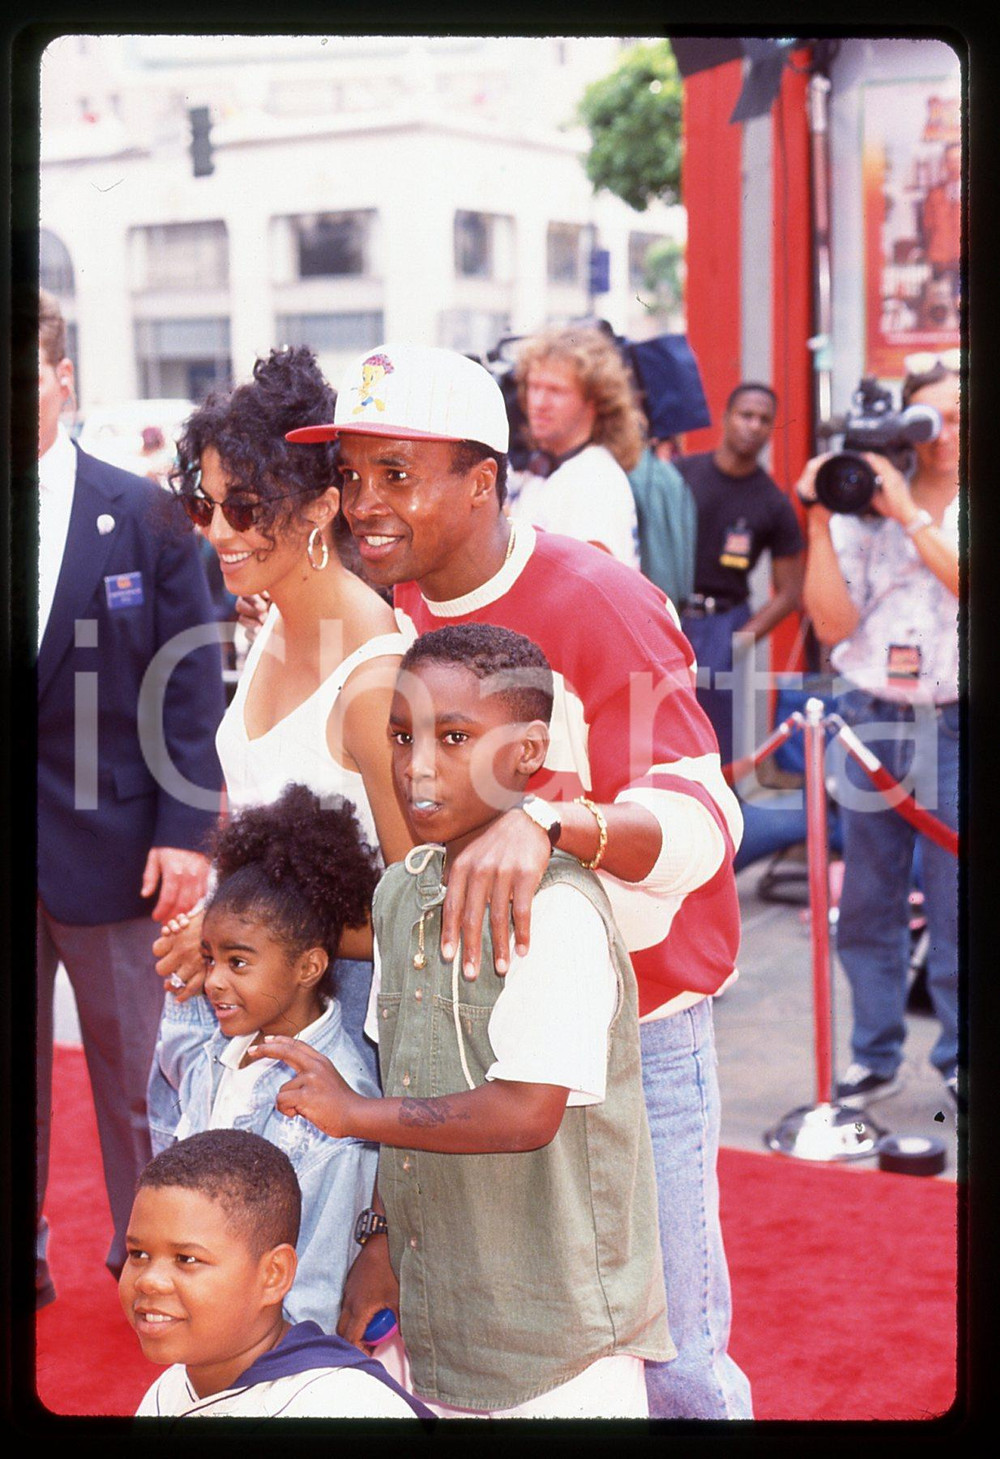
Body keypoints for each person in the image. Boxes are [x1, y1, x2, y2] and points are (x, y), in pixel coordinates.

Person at [282, 341, 752, 1419]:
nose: (365, 501)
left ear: (482, 478)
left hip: (637, 1029)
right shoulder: (401, 606)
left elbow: (703, 817)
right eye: (352, 474)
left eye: (395, 473)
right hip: (478, 1027)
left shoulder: (596, 596)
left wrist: (554, 819)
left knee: (671, 1360)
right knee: (494, 1347)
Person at [254, 625, 672, 1417]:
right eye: (402, 736)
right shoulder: (399, 892)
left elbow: (526, 1111)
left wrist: (352, 1113)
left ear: (527, 751)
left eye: (454, 738)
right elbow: (408, 1077)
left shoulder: (558, 910)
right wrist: (379, 1238)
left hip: (560, 1342)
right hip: (443, 1318)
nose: (417, 765)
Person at [151, 346, 414, 1078]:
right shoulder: (271, 617)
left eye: (244, 508)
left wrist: (232, 928)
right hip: (247, 1006)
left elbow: (415, 915)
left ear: (321, 509)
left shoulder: (377, 679)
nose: (216, 530)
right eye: (204, 504)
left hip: (339, 1032)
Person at [36, 289, 225, 1305]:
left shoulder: (144, 512)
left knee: (137, 1081)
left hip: (115, 842)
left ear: (62, 379)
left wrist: (189, 829)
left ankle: (147, 1256)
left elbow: (191, 677)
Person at [147, 782, 382, 1331]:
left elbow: (317, 1290)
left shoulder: (337, 1108)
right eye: (210, 958)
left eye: (239, 962)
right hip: (211, 1332)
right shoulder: (214, 1056)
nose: (215, 981)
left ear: (309, 967)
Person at [797, 357, 960, 1109]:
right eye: (931, 420)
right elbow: (833, 625)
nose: (946, 434)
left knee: (960, 904)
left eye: (959, 416)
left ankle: (961, 1060)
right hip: (868, 722)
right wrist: (821, 519)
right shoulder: (860, 509)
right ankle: (874, 1053)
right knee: (868, 902)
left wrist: (911, 516)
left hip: (955, 723)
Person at [120, 1128, 431, 1418]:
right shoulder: (168, 1391)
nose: (149, 1280)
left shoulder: (341, 1406)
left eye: (186, 1259)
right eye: (139, 1254)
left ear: (274, 1274)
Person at [676, 383, 805, 769]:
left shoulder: (773, 503)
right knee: (654, 719)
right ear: (726, 417)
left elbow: (790, 592)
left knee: (712, 741)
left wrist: (739, 640)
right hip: (668, 612)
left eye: (764, 420)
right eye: (746, 415)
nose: (754, 425)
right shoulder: (680, 475)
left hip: (723, 622)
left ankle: (720, 823)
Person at [504, 324, 643, 568]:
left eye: (555, 391)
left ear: (595, 401)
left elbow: (587, 587)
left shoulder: (594, 480)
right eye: (534, 387)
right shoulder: (547, 468)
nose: (538, 403)